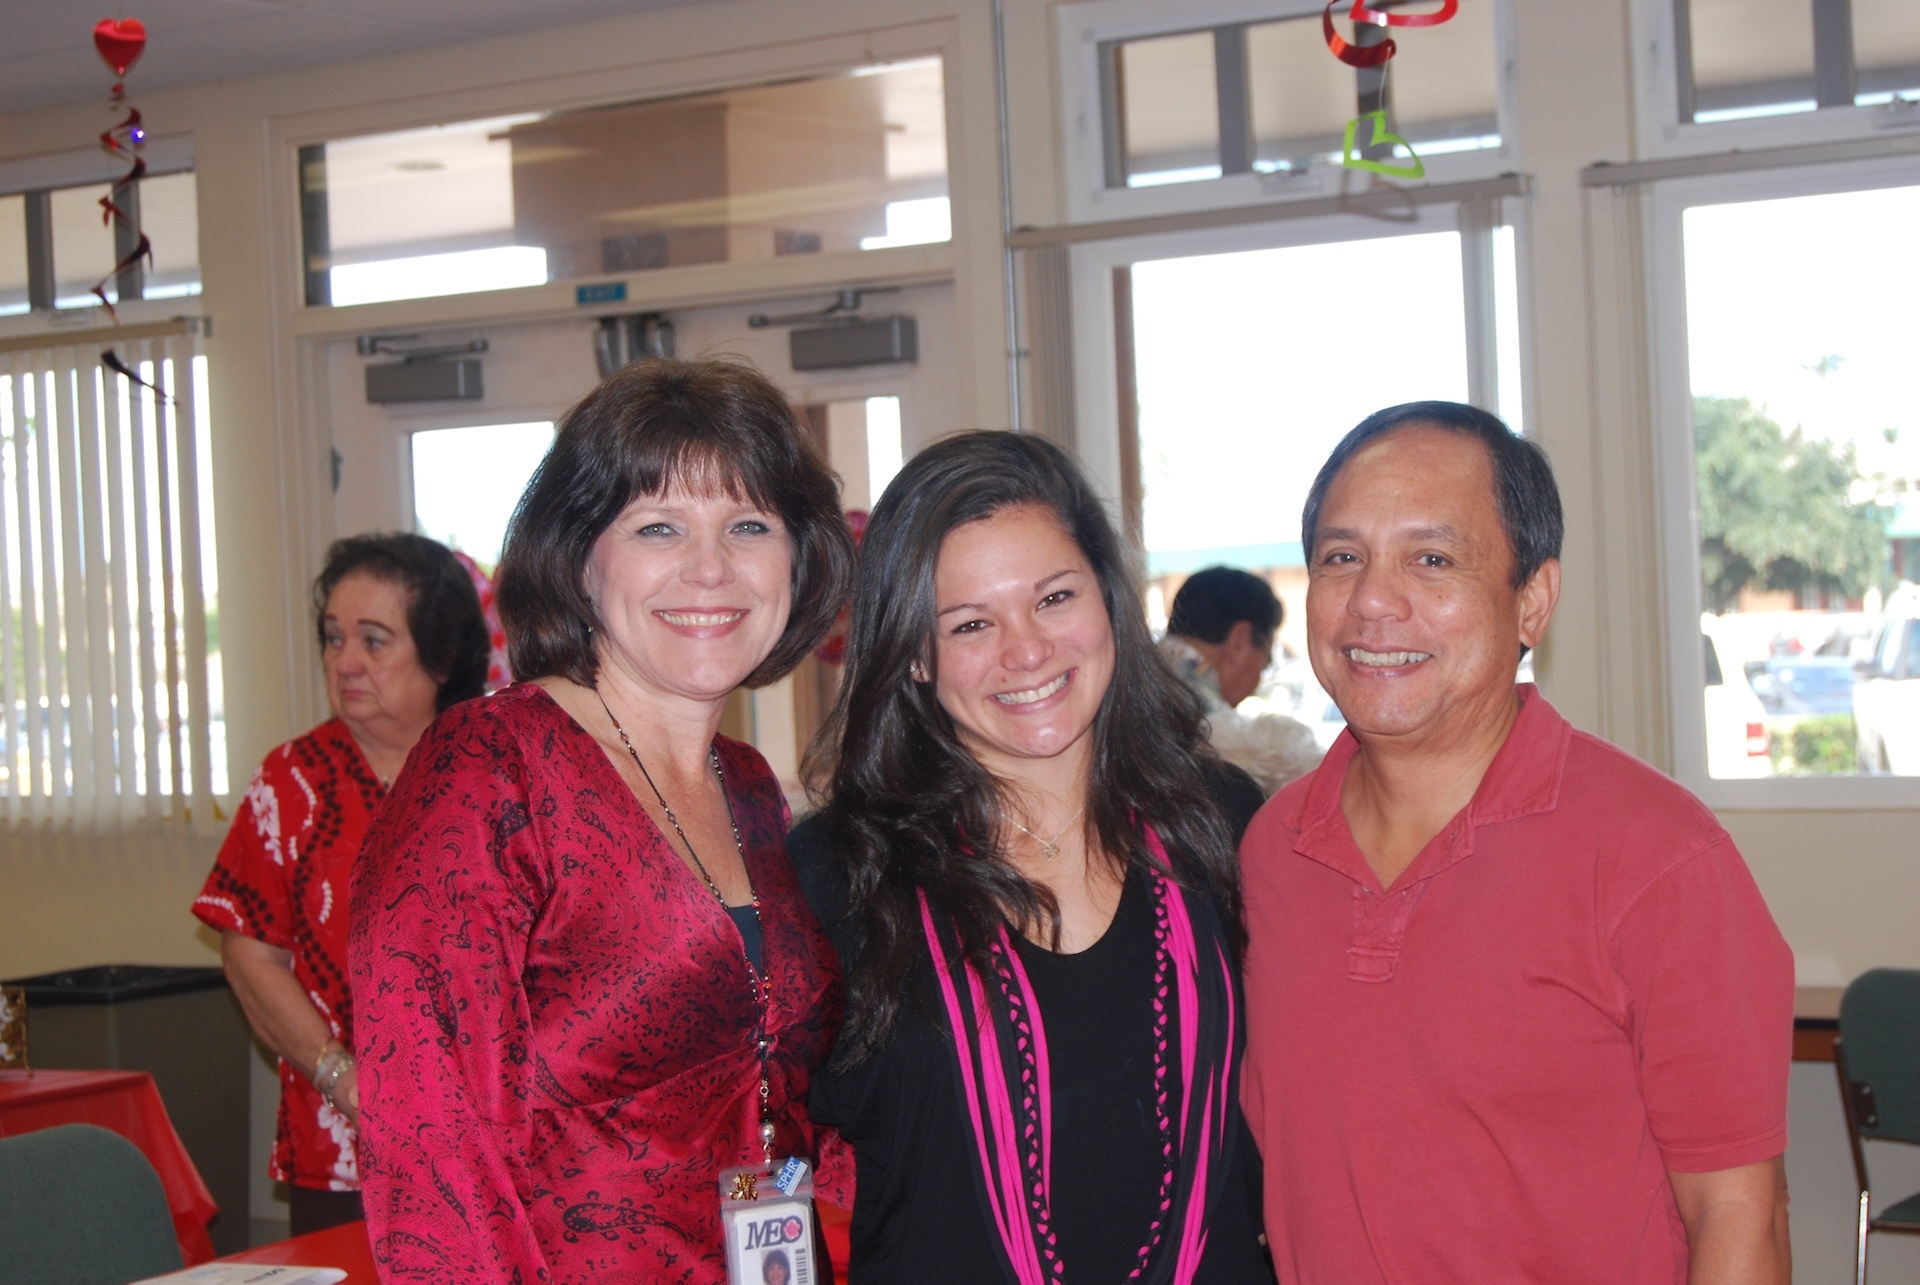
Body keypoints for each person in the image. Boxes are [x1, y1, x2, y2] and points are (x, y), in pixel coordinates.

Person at [1239, 401, 1794, 1283]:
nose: (1374, 600)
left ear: (1532, 599)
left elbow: (1739, 1218)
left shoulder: (1655, 856)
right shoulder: (1270, 851)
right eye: (1342, 557)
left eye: (1432, 559)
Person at [349, 358, 855, 1282]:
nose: (711, 567)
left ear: (799, 558)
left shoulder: (745, 785)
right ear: (582, 558)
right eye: (659, 526)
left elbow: (778, 1088)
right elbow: (434, 1146)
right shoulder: (487, 772)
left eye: (749, 525)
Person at [793, 430, 1272, 1285]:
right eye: (971, 622)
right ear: (912, 654)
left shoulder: (1225, 822)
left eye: (1054, 598)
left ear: (1108, 601)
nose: (1026, 650)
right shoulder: (839, 875)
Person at [193, 533, 489, 1235]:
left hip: (498, 1138)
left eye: (374, 640)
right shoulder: (291, 781)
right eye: (333, 638)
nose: (345, 661)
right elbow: (249, 954)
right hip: (342, 1142)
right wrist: (339, 1075)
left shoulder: (494, 771)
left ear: (441, 655)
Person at [1161, 566, 1320, 794]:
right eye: (1265, 661)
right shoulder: (1184, 696)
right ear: (1240, 640)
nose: (1256, 686)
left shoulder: (1140, 673)